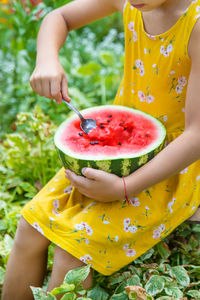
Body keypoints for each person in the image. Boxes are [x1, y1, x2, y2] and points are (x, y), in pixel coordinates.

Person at [2, 0, 200, 299]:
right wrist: (47, 59)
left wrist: (125, 186)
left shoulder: (195, 23)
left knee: (72, 250)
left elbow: (196, 135)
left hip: (175, 166)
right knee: (30, 225)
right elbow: (59, 17)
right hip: (119, 150)